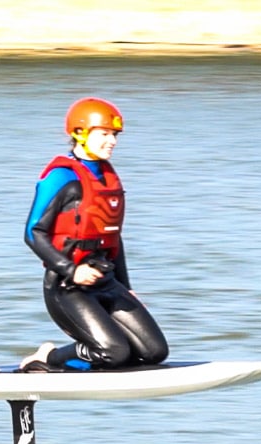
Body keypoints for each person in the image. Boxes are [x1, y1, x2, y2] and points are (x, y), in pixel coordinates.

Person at [19, 96, 168, 372]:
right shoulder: (61, 178)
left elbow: (113, 237)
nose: (112, 141)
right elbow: (33, 232)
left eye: (114, 135)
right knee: (114, 353)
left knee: (154, 352)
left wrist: (126, 286)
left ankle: (103, 352)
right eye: (104, 134)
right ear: (79, 134)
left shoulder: (106, 178)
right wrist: (72, 270)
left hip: (106, 282)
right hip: (68, 288)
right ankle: (48, 357)